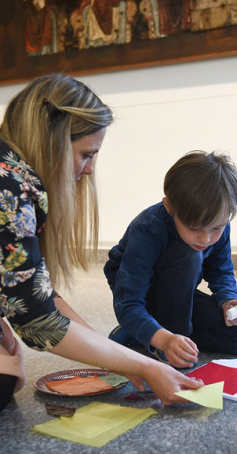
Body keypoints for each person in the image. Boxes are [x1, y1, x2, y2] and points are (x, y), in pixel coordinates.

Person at [0, 73, 203, 412]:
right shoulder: (11, 189)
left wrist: (118, 359)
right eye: (86, 154)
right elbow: (38, 321)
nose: (90, 169)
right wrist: (144, 365)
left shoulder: (16, 175)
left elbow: (37, 293)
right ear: (53, 142)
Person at [104, 151, 237, 369]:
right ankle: (161, 336)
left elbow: (221, 271)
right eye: (194, 228)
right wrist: (167, 340)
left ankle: (144, 334)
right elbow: (127, 303)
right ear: (169, 207)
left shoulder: (220, 226)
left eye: (216, 227)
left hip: (179, 298)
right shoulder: (147, 229)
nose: (206, 238)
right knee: (190, 255)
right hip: (141, 294)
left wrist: (227, 300)